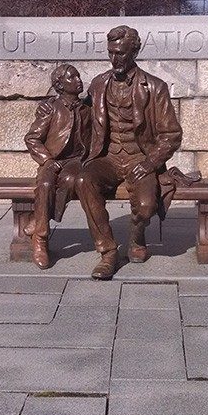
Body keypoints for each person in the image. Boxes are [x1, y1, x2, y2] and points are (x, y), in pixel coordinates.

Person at [75, 25, 182, 279]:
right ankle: (108, 252)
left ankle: (136, 236)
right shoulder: (99, 84)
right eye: (111, 53)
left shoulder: (155, 87)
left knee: (146, 207)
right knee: (83, 180)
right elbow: (80, 115)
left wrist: (150, 163)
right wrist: (54, 109)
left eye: (121, 53)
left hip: (140, 159)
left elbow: (172, 134)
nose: (115, 59)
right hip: (108, 158)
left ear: (135, 51)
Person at [24, 64, 91, 269]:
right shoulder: (50, 108)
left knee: (71, 181)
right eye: (72, 77)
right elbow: (32, 138)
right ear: (59, 85)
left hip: (75, 161)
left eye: (78, 76)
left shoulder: (88, 109)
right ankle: (41, 240)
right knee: (44, 184)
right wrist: (46, 159)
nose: (78, 80)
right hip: (52, 159)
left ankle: (38, 221)